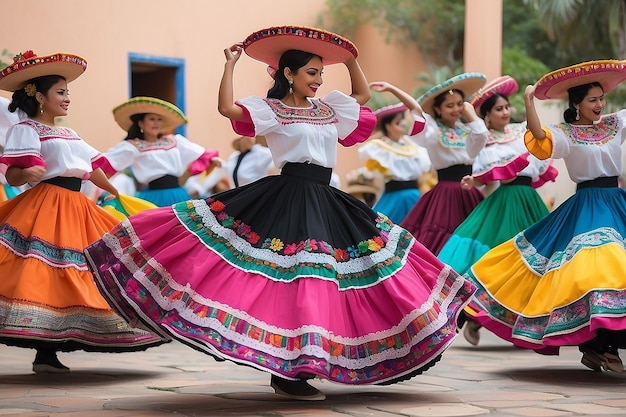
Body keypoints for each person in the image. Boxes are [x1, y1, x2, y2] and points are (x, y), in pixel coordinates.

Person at [84, 26, 476, 401]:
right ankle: (288, 372)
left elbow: (360, 94)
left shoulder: (329, 108)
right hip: (288, 194)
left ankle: (311, 361)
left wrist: (351, 58)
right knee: (294, 277)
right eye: (311, 72)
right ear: (288, 73)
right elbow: (225, 108)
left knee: (347, 269)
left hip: (326, 196)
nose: (319, 79)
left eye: (321, 73)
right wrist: (229, 65)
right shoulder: (271, 110)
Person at [0, 50, 165, 374]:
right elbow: (12, 173)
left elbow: (92, 168)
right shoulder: (26, 129)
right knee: (46, 273)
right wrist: (27, 175)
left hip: (78, 206)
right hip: (45, 203)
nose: (67, 98)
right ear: (39, 96)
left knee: (91, 267)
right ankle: (44, 353)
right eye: (61, 92)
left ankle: (53, 349)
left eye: (68, 92)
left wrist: (116, 192)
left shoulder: (70, 133)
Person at [464, 60, 626, 373]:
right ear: (576, 104)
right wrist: (528, 101)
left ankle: (604, 346)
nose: (599, 104)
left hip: (616, 202)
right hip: (589, 205)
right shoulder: (566, 133)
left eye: (601, 98)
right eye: (592, 100)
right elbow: (538, 136)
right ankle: (599, 347)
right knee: (600, 269)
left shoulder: (614, 124)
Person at [436, 76, 558, 346]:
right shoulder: (484, 140)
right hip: (505, 201)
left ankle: (524, 322)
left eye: (507, 107)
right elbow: (484, 171)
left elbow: (539, 154)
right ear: (488, 116)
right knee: (497, 259)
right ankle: (474, 316)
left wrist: (529, 102)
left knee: (537, 261)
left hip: (529, 200)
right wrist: (475, 179)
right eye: (499, 109)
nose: (505, 112)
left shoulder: (521, 131)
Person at [399, 73, 489, 255]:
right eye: (450, 105)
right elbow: (418, 115)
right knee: (442, 238)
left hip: (469, 191)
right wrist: (393, 89)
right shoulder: (433, 130)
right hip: (446, 193)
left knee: (475, 237)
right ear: (437, 109)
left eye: (459, 104)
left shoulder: (467, 131)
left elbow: (479, 141)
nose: (456, 109)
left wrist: (471, 115)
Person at [100, 96, 220, 207]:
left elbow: (200, 154)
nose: (156, 122)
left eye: (159, 119)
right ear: (141, 123)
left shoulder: (175, 141)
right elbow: (108, 166)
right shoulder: (134, 146)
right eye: (152, 119)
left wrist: (213, 160)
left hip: (178, 194)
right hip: (152, 197)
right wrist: (109, 190)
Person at [357, 81, 431, 223]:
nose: (402, 125)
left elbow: (417, 111)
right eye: (398, 122)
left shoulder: (412, 143)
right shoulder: (378, 148)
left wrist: (391, 88)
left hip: (415, 197)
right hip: (394, 197)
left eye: (403, 121)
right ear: (388, 126)